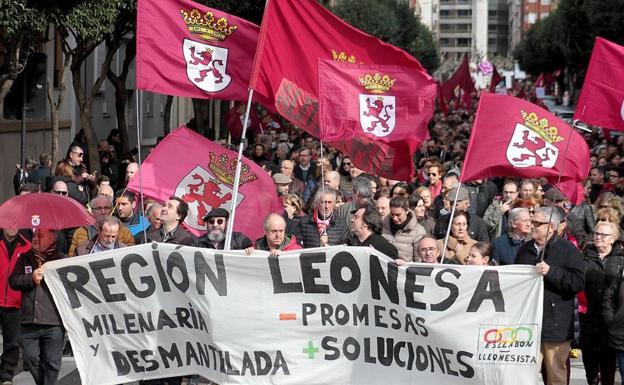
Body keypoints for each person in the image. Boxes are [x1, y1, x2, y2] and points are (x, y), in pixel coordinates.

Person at [515, 207, 585, 385]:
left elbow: (577, 282)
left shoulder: (567, 249)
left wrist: (551, 271)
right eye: (532, 222)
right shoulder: (524, 249)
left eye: (537, 224)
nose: (532, 226)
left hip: (556, 325)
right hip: (528, 323)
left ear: (552, 227)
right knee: (523, 375)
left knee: (555, 377)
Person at [9, 228, 67, 385]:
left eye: (39, 236)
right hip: (29, 321)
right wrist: (31, 278)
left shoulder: (62, 260)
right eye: (34, 235)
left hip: (53, 321)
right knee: (31, 359)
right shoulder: (25, 258)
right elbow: (13, 281)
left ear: (52, 238)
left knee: (53, 362)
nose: (34, 238)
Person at [579, 222, 623, 385]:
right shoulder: (584, 256)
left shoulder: (620, 260)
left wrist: (614, 317)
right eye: (596, 233)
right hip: (588, 318)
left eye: (603, 235)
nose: (598, 237)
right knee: (590, 366)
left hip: (611, 321)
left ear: (613, 239)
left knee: (608, 367)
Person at [0, 227, 31, 385]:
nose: (12, 227)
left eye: (15, 223)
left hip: (15, 301)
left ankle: (6, 375)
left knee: (12, 342)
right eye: (8, 222)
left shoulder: (27, 246)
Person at [69, 195, 135, 256]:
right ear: (92, 211)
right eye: (98, 208)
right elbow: (72, 258)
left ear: (112, 209)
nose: (103, 212)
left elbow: (131, 255)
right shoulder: (80, 232)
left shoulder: (124, 231)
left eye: (106, 208)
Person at [381, 196, 426, 262]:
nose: (395, 218)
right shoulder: (382, 227)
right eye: (392, 214)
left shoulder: (418, 231)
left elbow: (419, 261)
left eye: (398, 215)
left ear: (407, 211)